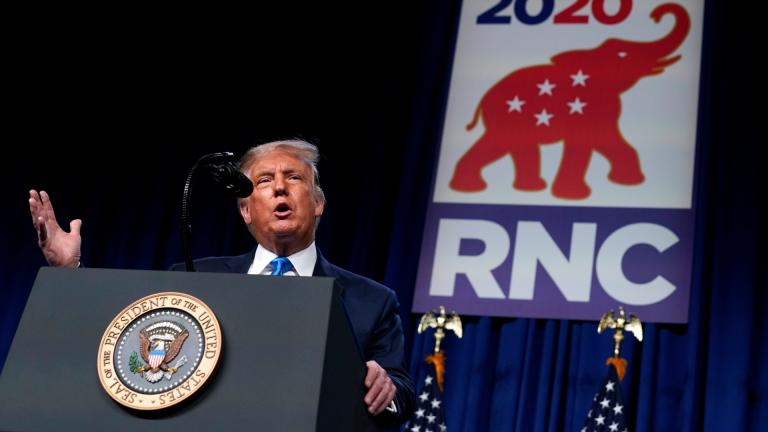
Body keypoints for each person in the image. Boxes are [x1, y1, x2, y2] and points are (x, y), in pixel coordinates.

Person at [28, 139, 415, 426]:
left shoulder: (372, 300)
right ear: (245, 209)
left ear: (318, 203)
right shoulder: (195, 277)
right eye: (264, 180)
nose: (280, 188)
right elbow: (119, 341)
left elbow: (403, 394)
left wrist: (387, 390)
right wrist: (70, 272)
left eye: (294, 178)